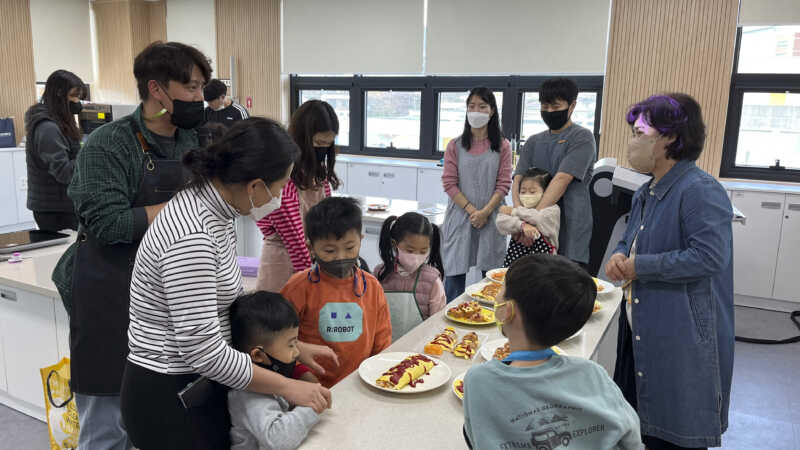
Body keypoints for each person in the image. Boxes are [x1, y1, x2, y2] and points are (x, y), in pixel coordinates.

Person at [121, 118, 336, 449]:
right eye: (279, 189)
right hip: (169, 395)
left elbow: (223, 306)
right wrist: (285, 385)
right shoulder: (192, 235)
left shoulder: (216, 212)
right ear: (254, 187)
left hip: (195, 383)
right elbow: (202, 350)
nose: (280, 198)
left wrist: (287, 345)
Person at [50, 41, 212, 450]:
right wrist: (185, 204)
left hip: (172, 293)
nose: (199, 98)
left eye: (201, 88)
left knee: (166, 418)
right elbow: (109, 222)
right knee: (107, 424)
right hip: (110, 293)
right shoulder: (109, 143)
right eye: (190, 88)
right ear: (157, 89)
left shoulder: (198, 137)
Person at [605, 94, 734, 449]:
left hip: (681, 336)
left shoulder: (699, 190)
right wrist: (619, 256)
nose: (632, 142)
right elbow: (630, 241)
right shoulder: (645, 192)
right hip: (642, 326)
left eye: (639, 132)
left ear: (670, 139)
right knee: (642, 424)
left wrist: (639, 266)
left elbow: (709, 258)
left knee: (675, 432)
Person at [463, 254, 642, 450]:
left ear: (508, 310)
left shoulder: (480, 381)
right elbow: (632, 440)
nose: (497, 295)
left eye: (501, 290)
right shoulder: (593, 373)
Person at [281, 196, 393, 388]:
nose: (340, 257)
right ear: (311, 248)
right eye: (329, 251)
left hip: (361, 384)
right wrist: (303, 375)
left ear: (360, 240)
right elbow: (279, 340)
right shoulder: (298, 287)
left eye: (349, 248)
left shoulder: (372, 287)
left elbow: (382, 342)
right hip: (310, 386)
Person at [256, 100, 341, 292]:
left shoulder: (319, 174)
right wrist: (314, 278)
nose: (323, 150)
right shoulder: (282, 173)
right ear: (302, 138)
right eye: (319, 143)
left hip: (312, 260)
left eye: (328, 145)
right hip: (283, 263)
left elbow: (327, 220)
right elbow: (293, 236)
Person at [513, 77, 596, 269]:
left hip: (569, 225)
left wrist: (534, 220)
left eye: (555, 106)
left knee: (564, 284)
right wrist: (520, 219)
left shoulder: (582, 137)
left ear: (572, 105)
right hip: (530, 227)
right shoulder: (533, 142)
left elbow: (561, 179)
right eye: (545, 106)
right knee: (531, 280)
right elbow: (517, 180)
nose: (549, 111)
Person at [441, 87, 512, 302]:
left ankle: (489, 320)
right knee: (454, 274)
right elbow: (449, 183)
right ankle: (447, 326)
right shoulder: (455, 145)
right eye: (471, 106)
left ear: (491, 111)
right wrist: (473, 211)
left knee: (491, 277)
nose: (476, 111)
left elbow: (503, 184)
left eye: (482, 106)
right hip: (461, 215)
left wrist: (485, 212)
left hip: (492, 215)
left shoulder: (503, 146)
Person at [228, 291, 323, 450]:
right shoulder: (246, 394)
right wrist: (312, 406)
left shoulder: (274, 377)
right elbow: (279, 440)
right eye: (291, 345)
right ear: (258, 355)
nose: (297, 352)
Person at [24, 69, 84, 232]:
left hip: (62, 205)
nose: (77, 101)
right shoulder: (47, 128)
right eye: (73, 96)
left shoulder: (60, 121)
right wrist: (89, 156)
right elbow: (64, 172)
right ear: (59, 94)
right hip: (55, 210)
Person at [374, 212, 446, 340]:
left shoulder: (432, 280)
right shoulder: (380, 274)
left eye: (423, 251)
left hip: (419, 349)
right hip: (385, 347)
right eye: (410, 250)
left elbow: (437, 323)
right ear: (395, 244)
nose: (416, 257)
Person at [496, 167, 560, 267]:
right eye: (523, 191)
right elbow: (500, 222)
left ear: (546, 192)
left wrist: (513, 211)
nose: (527, 195)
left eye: (532, 192)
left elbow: (537, 218)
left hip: (544, 265)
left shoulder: (552, 210)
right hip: (517, 262)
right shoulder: (522, 209)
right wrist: (522, 225)